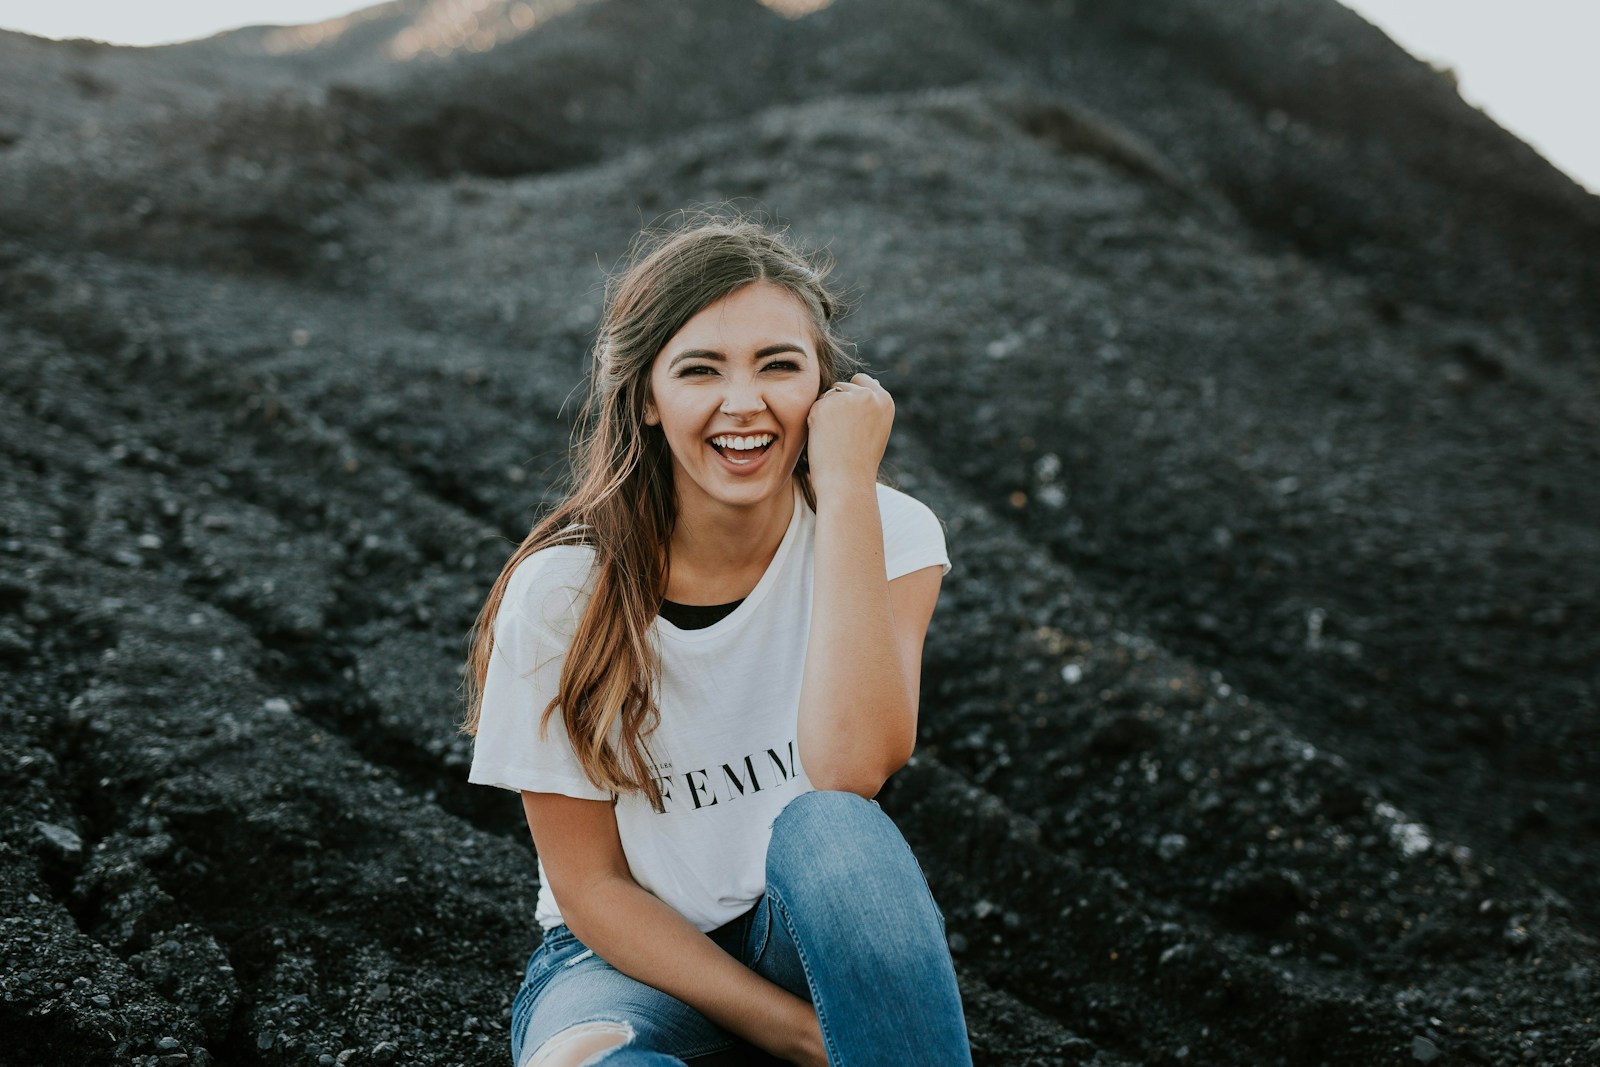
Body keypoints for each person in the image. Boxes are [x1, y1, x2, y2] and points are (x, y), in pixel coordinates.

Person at [462, 212, 971, 1067]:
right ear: (649, 400)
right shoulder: (560, 596)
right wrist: (802, 1039)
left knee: (835, 834)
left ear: (827, 387)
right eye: (701, 370)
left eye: (780, 365)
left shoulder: (890, 531)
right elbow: (589, 887)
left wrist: (845, 487)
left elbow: (851, 770)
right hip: (626, 958)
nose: (745, 401)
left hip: (800, 936)